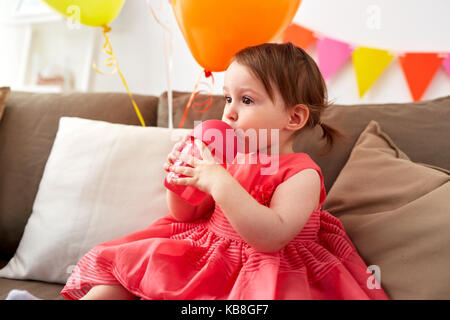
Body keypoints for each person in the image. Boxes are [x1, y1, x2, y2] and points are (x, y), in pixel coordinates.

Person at [61, 42, 389, 300]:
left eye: (246, 100)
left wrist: (219, 181)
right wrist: (182, 181)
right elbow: (186, 216)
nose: (229, 113)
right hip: (208, 253)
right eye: (227, 98)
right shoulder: (229, 157)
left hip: (266, 271)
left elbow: (271, 236)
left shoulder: (301, 174)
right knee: (122, 282)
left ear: (294, 119)